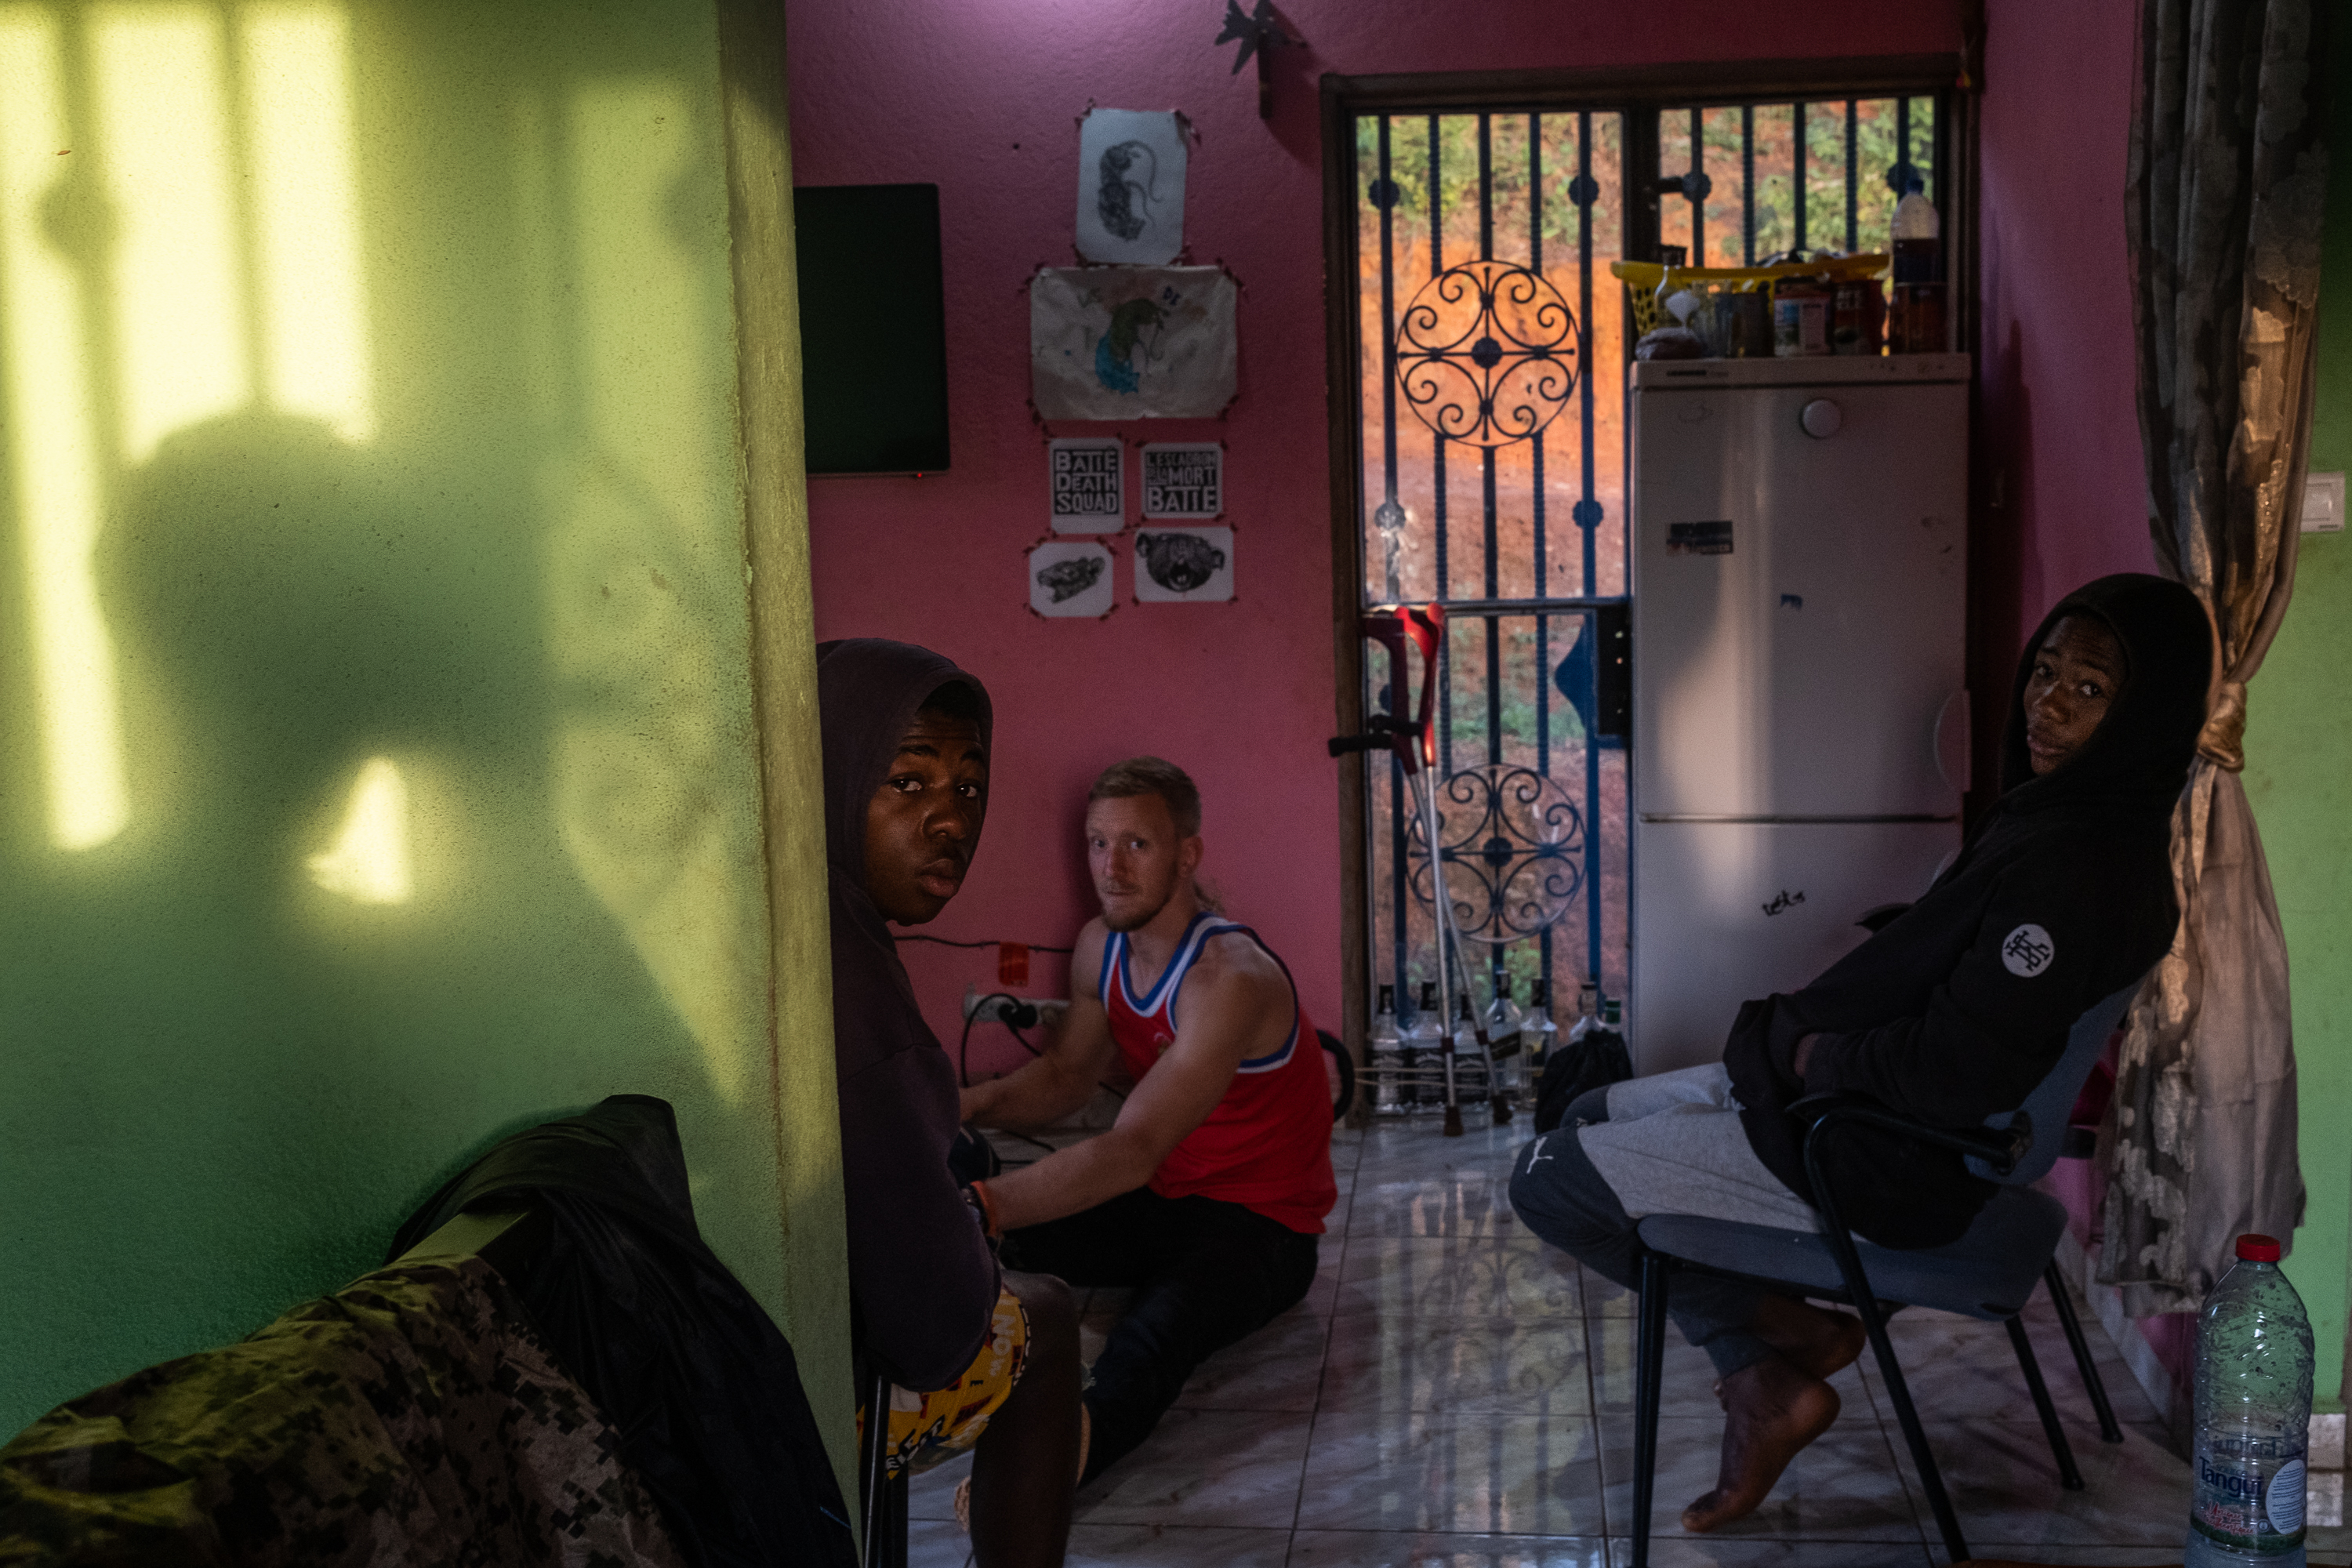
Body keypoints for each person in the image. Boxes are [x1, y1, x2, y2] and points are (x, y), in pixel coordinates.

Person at [1508, 573, 2212, 1534]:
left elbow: (1950, 1073)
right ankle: (1768, 1362)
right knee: (1590, 1115)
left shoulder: (2078, 872)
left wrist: (1809, 1059)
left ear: (2145, 712)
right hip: (1859, 1108)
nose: (2046, 705)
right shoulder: (2065, 820)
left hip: (1880, 1151)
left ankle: (1772, 1351)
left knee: (1548, 1176)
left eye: (2089, 689)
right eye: (2045, 671)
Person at [958, 757, 1338, 1484]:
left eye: (1138, 844)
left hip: (1264, 1226)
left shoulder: (1227, 979)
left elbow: (1130, 1147)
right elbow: (1066, 1078)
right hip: (1166, 1197)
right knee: (995, 1216)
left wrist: (983, 1207)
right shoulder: (1101, 946)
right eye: (1098, 843)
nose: (1112, 867)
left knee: (1157, 1333)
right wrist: (968, 1105)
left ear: (1187, 854)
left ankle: (1047, 1472)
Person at [817, 638, 1080, 1567]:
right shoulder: (845, 980)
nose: (947, 822)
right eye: (907, 780)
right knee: (1042, 1316)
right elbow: (932, 1323)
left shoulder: (798, 914)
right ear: (833, 772)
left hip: (713, 1354)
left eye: (967, 787)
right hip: (809, 1394)